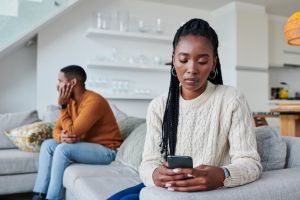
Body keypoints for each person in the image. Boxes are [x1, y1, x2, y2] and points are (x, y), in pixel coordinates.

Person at [108, 18, 262, 200]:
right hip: (165, 187)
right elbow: (149, 162)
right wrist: (155, 174)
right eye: (183, 59)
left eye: (202, 61)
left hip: (204, 191)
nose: (191, 69)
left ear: (214, 63)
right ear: (173, 60)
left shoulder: (231, 99)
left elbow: (251, 163)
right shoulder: (159, 105)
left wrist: (222, 175)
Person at [32, 65, 122, 200]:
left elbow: (73, 132)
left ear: (72, 82)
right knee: (48, 145)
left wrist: (62, 107)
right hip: (84, 145)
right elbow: (56, 129)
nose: (57, 85)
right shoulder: (70, 101)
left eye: (60, 81)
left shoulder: (94, 101)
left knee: (63, 149)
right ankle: (39, 194)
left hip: (107, 151)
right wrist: (61, 136)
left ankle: (53, 198)